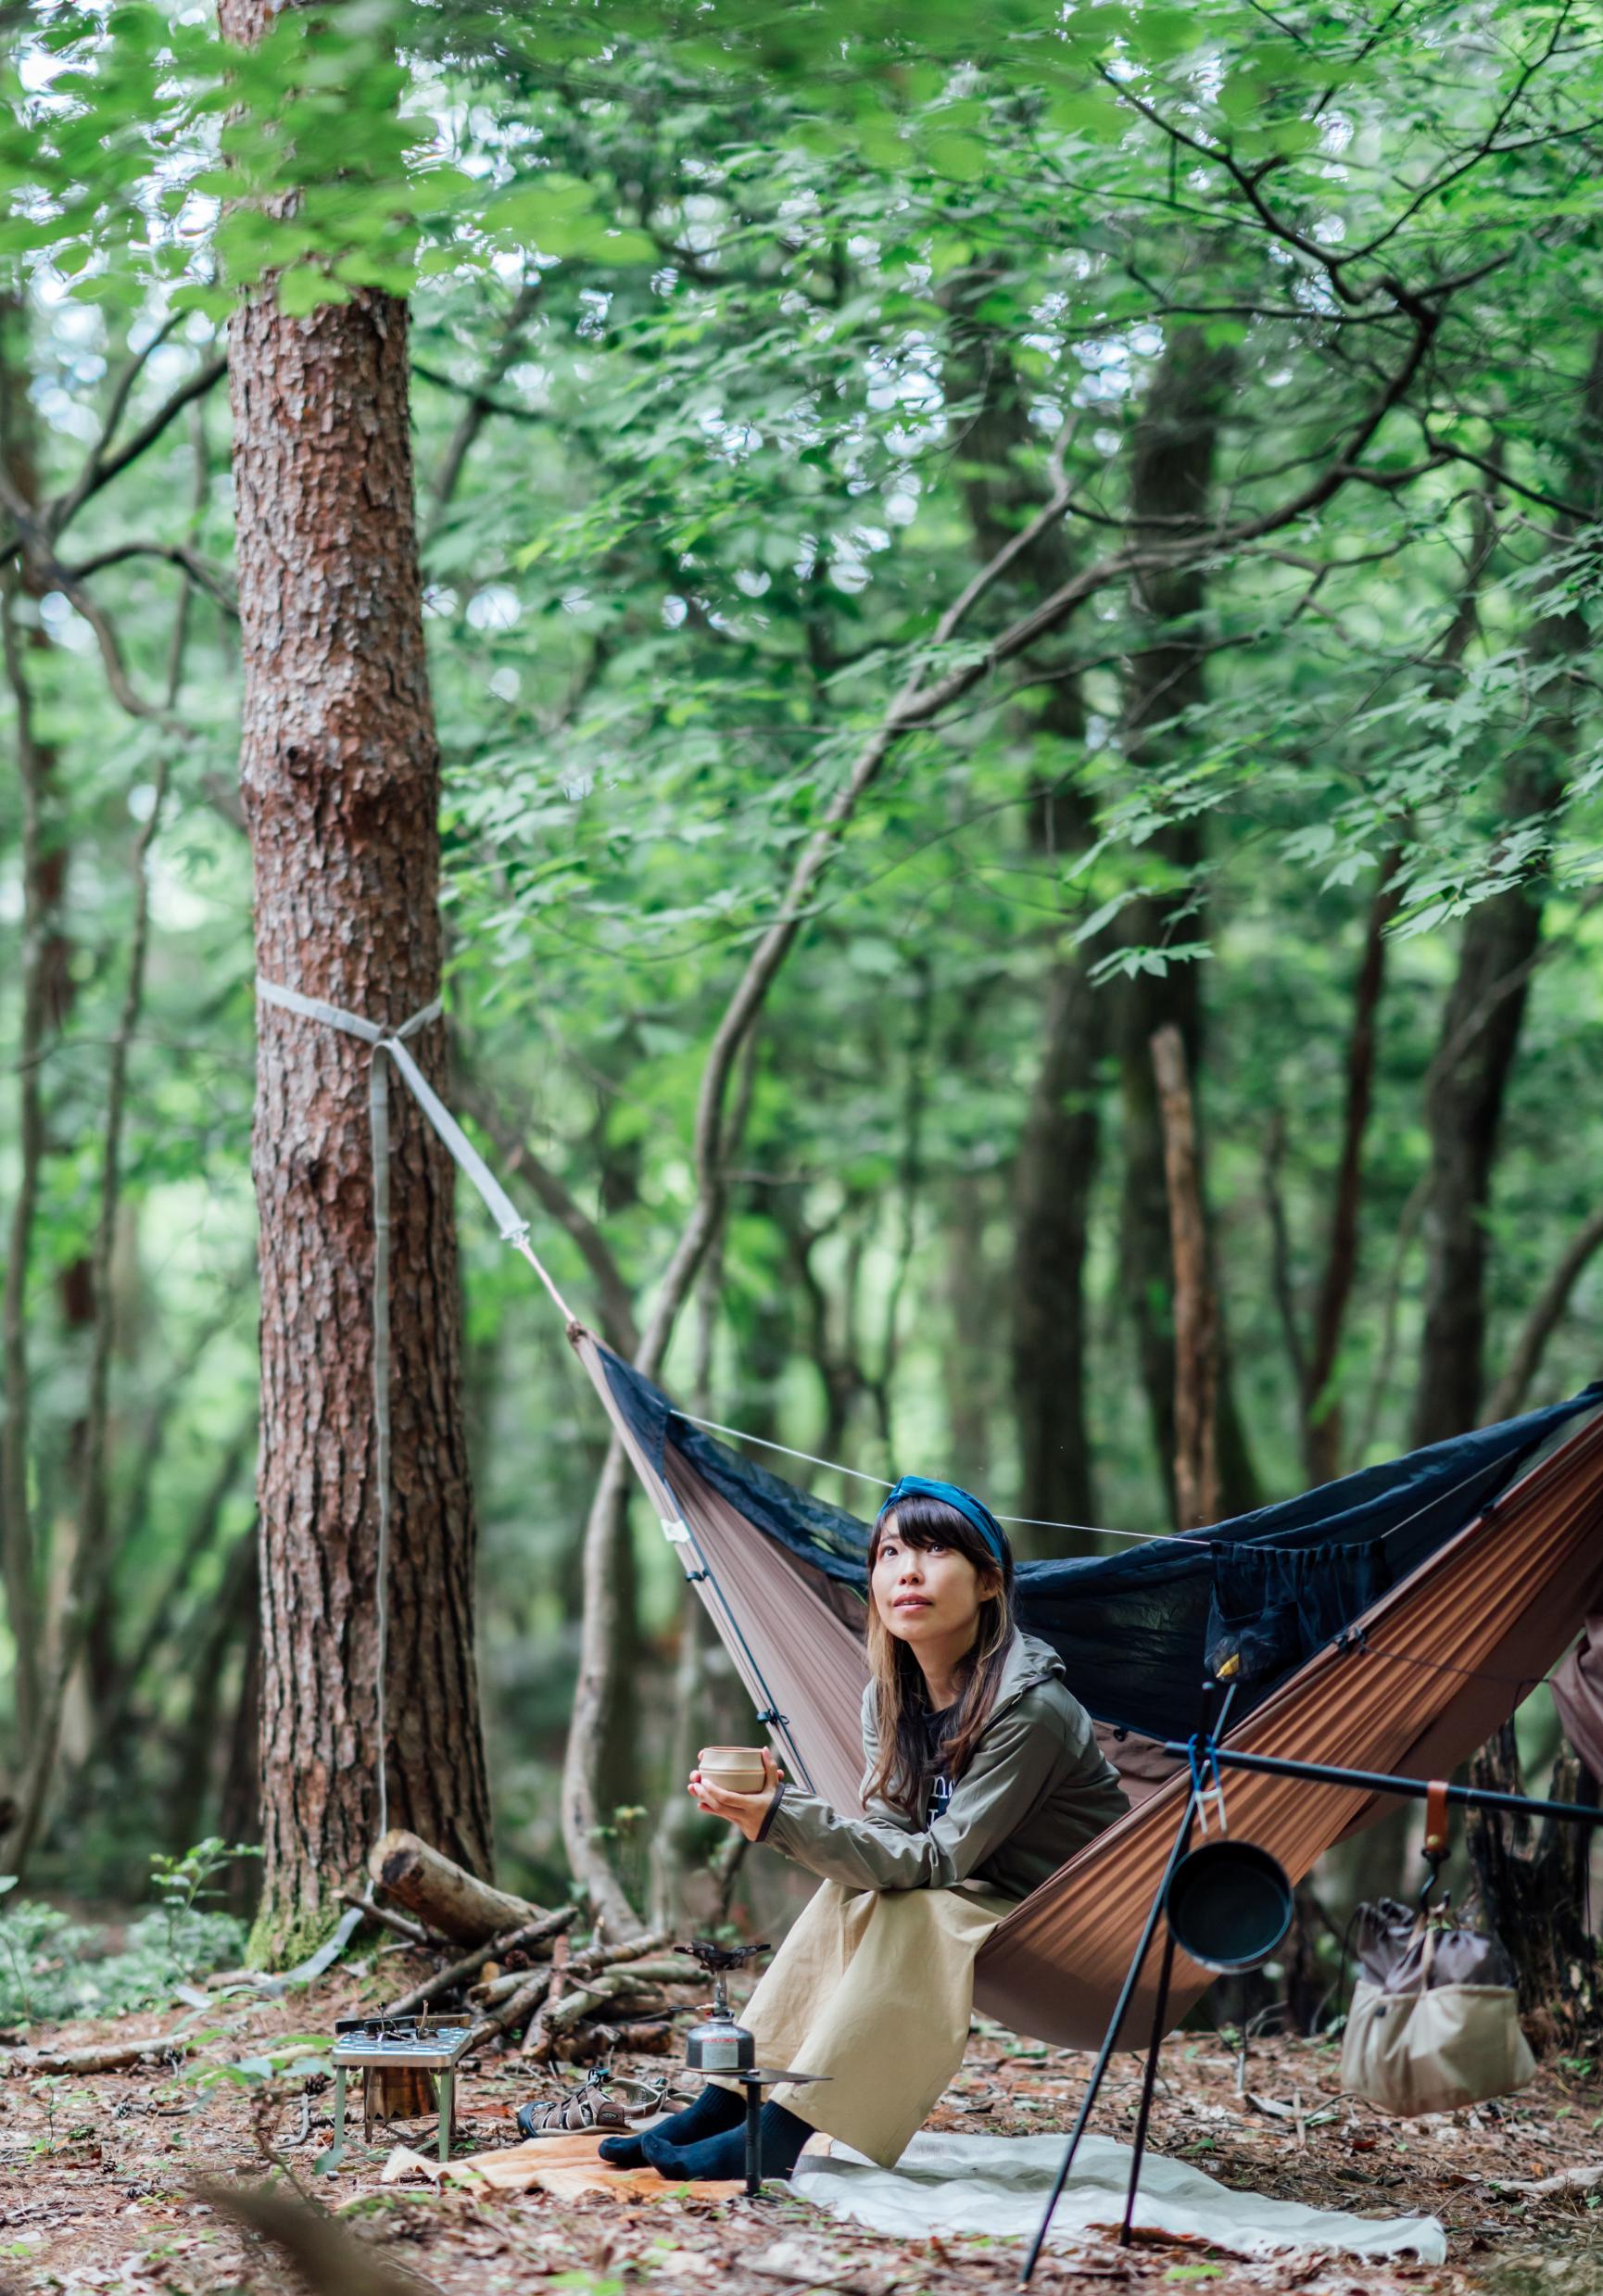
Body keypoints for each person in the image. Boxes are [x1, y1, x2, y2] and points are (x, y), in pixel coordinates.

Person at [600, 1474, 1130, 2182]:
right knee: (852, 1892)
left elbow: (939, 1860)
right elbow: (887, 1836)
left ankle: (783, 2133)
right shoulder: (889, 1697)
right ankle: (726, 2102)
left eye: (936, 1551)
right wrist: (777, 1808)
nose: (907, 1570)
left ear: (989, 1584)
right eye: (888, 1554)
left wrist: (783, 1819)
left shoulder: (1031, 1708)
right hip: (986, 1892)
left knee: (923, 1909)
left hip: (1079, 1923)